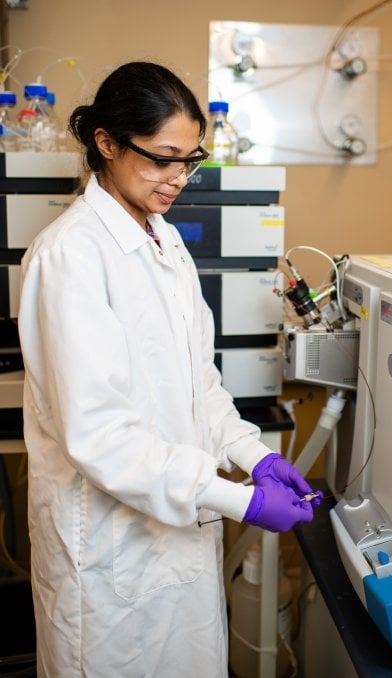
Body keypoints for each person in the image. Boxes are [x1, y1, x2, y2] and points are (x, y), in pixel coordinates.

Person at [17, 61, 322, 678]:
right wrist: (236, 499)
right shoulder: (70, 257)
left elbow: (196, 383)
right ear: (106, 142)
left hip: (177, 528)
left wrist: (251, 452)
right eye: (162, 158)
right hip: (108, 549)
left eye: (190, 160)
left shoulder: (165, 240)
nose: (178, 178)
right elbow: (101, 436)